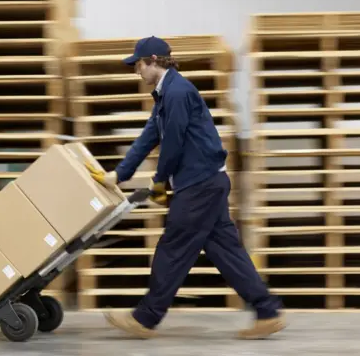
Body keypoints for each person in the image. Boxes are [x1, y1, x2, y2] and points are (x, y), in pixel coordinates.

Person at [85, 36, 286, 340]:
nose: (136, 70)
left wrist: (159, 182)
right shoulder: (166, 95)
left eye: (138, 64)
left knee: (173, 248)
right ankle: (268, 311)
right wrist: (119, 174)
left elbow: (174, 144)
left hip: (199, 186)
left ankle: (145, 318)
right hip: (208, 183)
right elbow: (149, 136)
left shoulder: (177, 93)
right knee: (226, 251)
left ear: (153, 60)